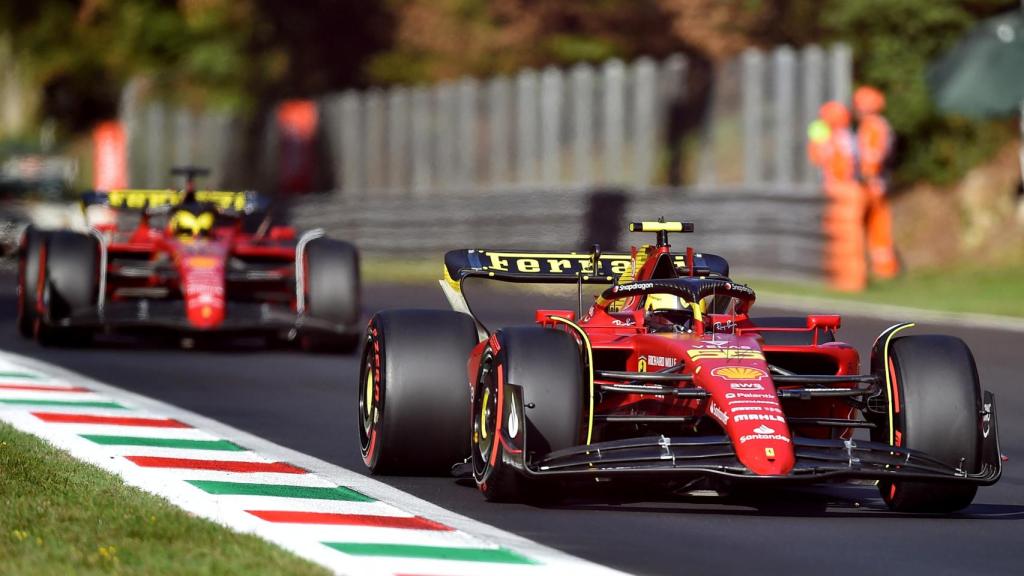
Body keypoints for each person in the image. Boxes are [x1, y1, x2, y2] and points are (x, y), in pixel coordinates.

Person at [853, 86, 900, 279]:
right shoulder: (879, 124)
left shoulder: (872, 126)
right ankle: (882, 269)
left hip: (872, 182)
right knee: (877, 226)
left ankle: (882, 269)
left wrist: (868, 176)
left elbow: (872, 155)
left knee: (872, 226)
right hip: (877, 180)